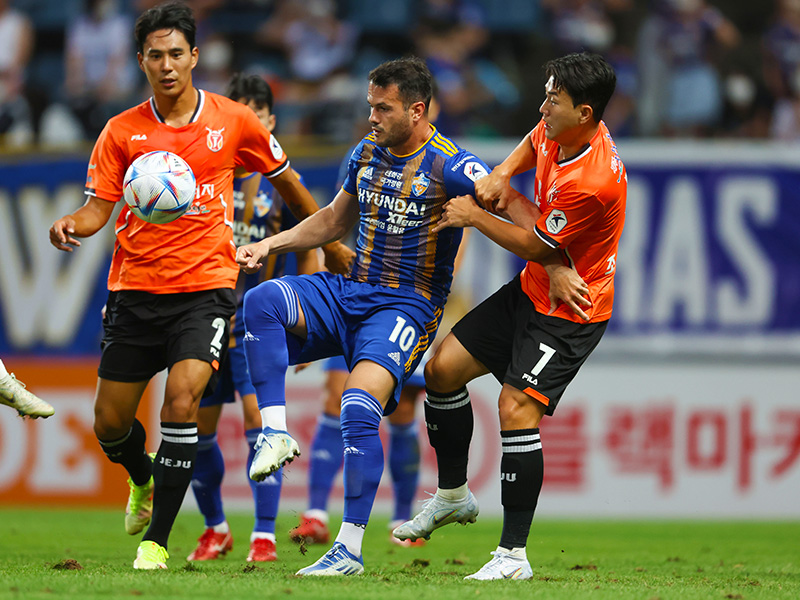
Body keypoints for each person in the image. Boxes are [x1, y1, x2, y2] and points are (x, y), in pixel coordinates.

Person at [48, 1, 351, 571]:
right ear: (141, 60)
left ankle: (156, 543)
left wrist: (331, 241)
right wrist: (71, 224)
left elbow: (289, 184)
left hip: (208, 289)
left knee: (182, 402)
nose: (167, 65)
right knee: (110, 425)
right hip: (135, 290)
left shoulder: (234, 120)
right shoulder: (120, 131)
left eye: (177, 54)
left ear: (194, 57)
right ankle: (141, 477)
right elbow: (96, 211)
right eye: (156, 56)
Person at [235, 56, 490, 576]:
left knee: (357, 406)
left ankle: (348, 548)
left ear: (417, 111)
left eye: (383, 108)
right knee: (260, 303)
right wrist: (270, 243)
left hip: (404, 308)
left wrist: (543, 252)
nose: (371, 117)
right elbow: (333, 219)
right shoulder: (365, 152)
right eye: (370, 106)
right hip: (349, 292)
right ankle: (276, 432)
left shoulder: (452, 165)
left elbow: (502, 196)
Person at [393, 52, 626, 581]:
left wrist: (477, 215)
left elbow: (533, 241)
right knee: (441, 370)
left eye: (554, 99)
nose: (543, 105)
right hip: (535, 287)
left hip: (571, 309)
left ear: (585, 113)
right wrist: (502, 172)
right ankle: (453, 496)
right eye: (545, 93)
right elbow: (534, 139)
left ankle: (512, 556)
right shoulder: (559, 128)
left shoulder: (592, 180)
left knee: (515, 407)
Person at [186, 73, 338, 563]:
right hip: (206, 318)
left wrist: (308, 319)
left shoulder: (281, 189)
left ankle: (264, 536)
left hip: (256, 327)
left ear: (271, 123)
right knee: (194, 427)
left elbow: (310, 249)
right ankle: (215, 528)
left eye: (256, 117)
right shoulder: (200, 180)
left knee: (260, 422)